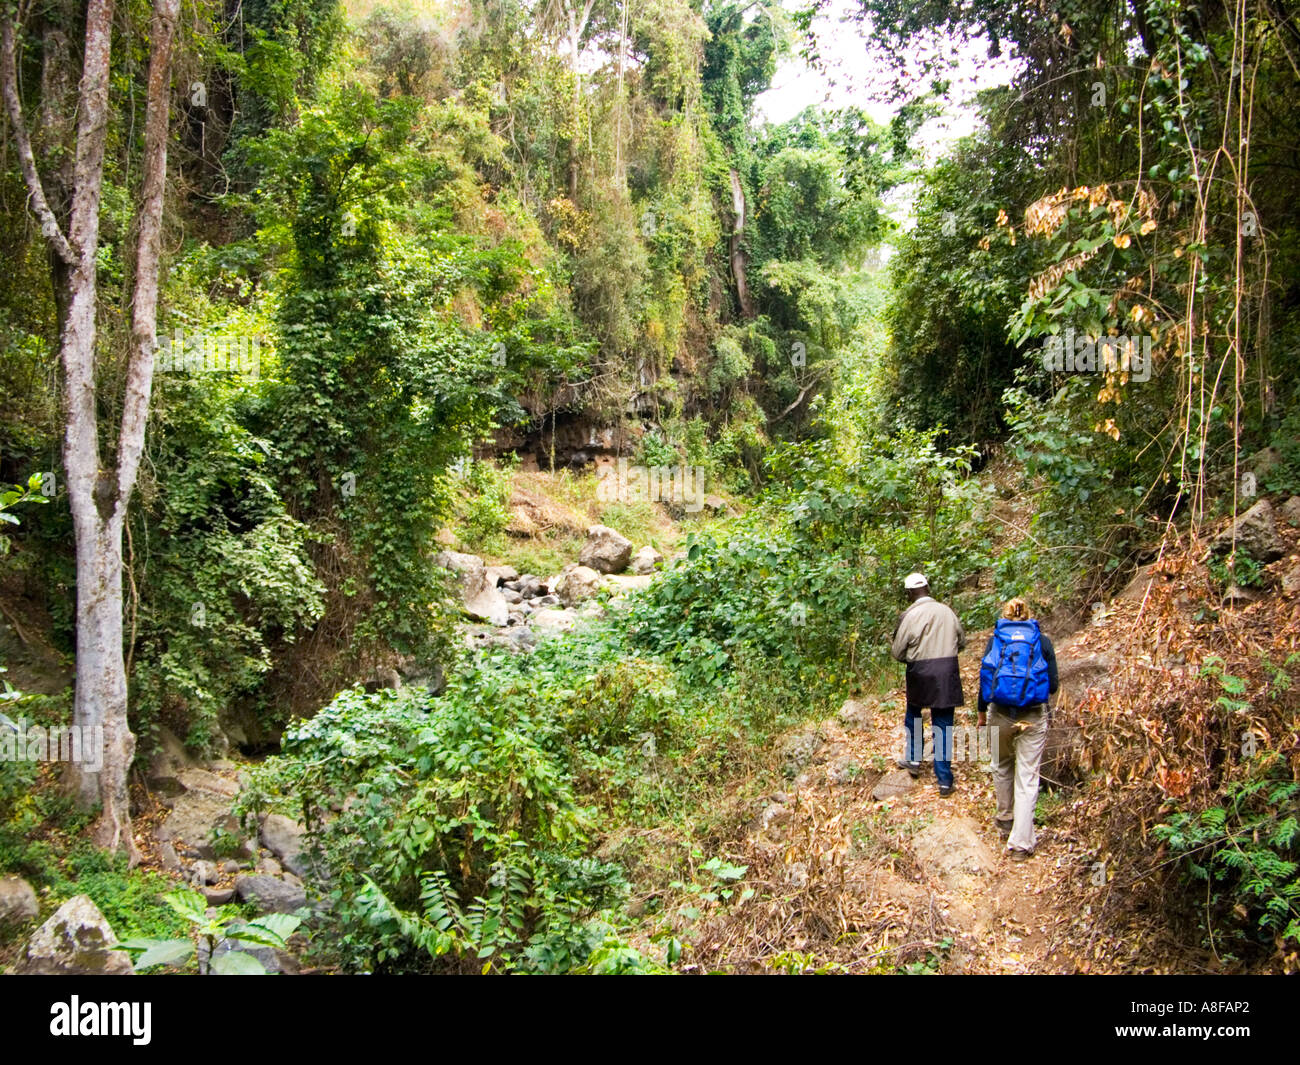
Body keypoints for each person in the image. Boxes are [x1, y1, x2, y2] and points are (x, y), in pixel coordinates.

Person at [977, 598, 1060, 861]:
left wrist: (981, 714)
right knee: (1027, 776)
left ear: (1005, 615)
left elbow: (986, 679)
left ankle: (1004, 819)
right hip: (1033, 715)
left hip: (1000, 713)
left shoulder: (996, 640)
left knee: (1001, 764)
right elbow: (1054, 685)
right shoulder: (1041, 641)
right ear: (1029, 616)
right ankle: (1021, 844)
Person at [890, 572, 966, 797]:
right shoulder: (947, 611)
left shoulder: (909, 615)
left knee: (913, 714)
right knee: (943, 724)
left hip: (920, 673)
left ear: (910, 593)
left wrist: (913, 657)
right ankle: (944, 780)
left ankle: (913, 759)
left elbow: (897, 651)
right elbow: (961, 641)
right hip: (946, 672)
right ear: (928, 588)